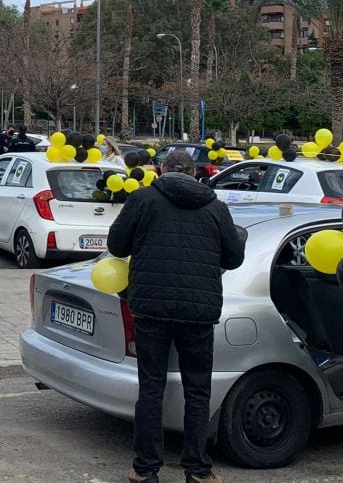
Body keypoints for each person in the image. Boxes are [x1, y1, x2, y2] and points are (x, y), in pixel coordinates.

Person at [106, 150, 246, 483]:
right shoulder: (215, 206)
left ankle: (145, 469)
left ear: (162, 170)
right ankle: (198, 470)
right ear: (195, 172)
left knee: (151, 388)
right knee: (198, 390)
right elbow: (235, 257)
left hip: (151, 308)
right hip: (198, 311)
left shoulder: (142, 200)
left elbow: (116, 245)